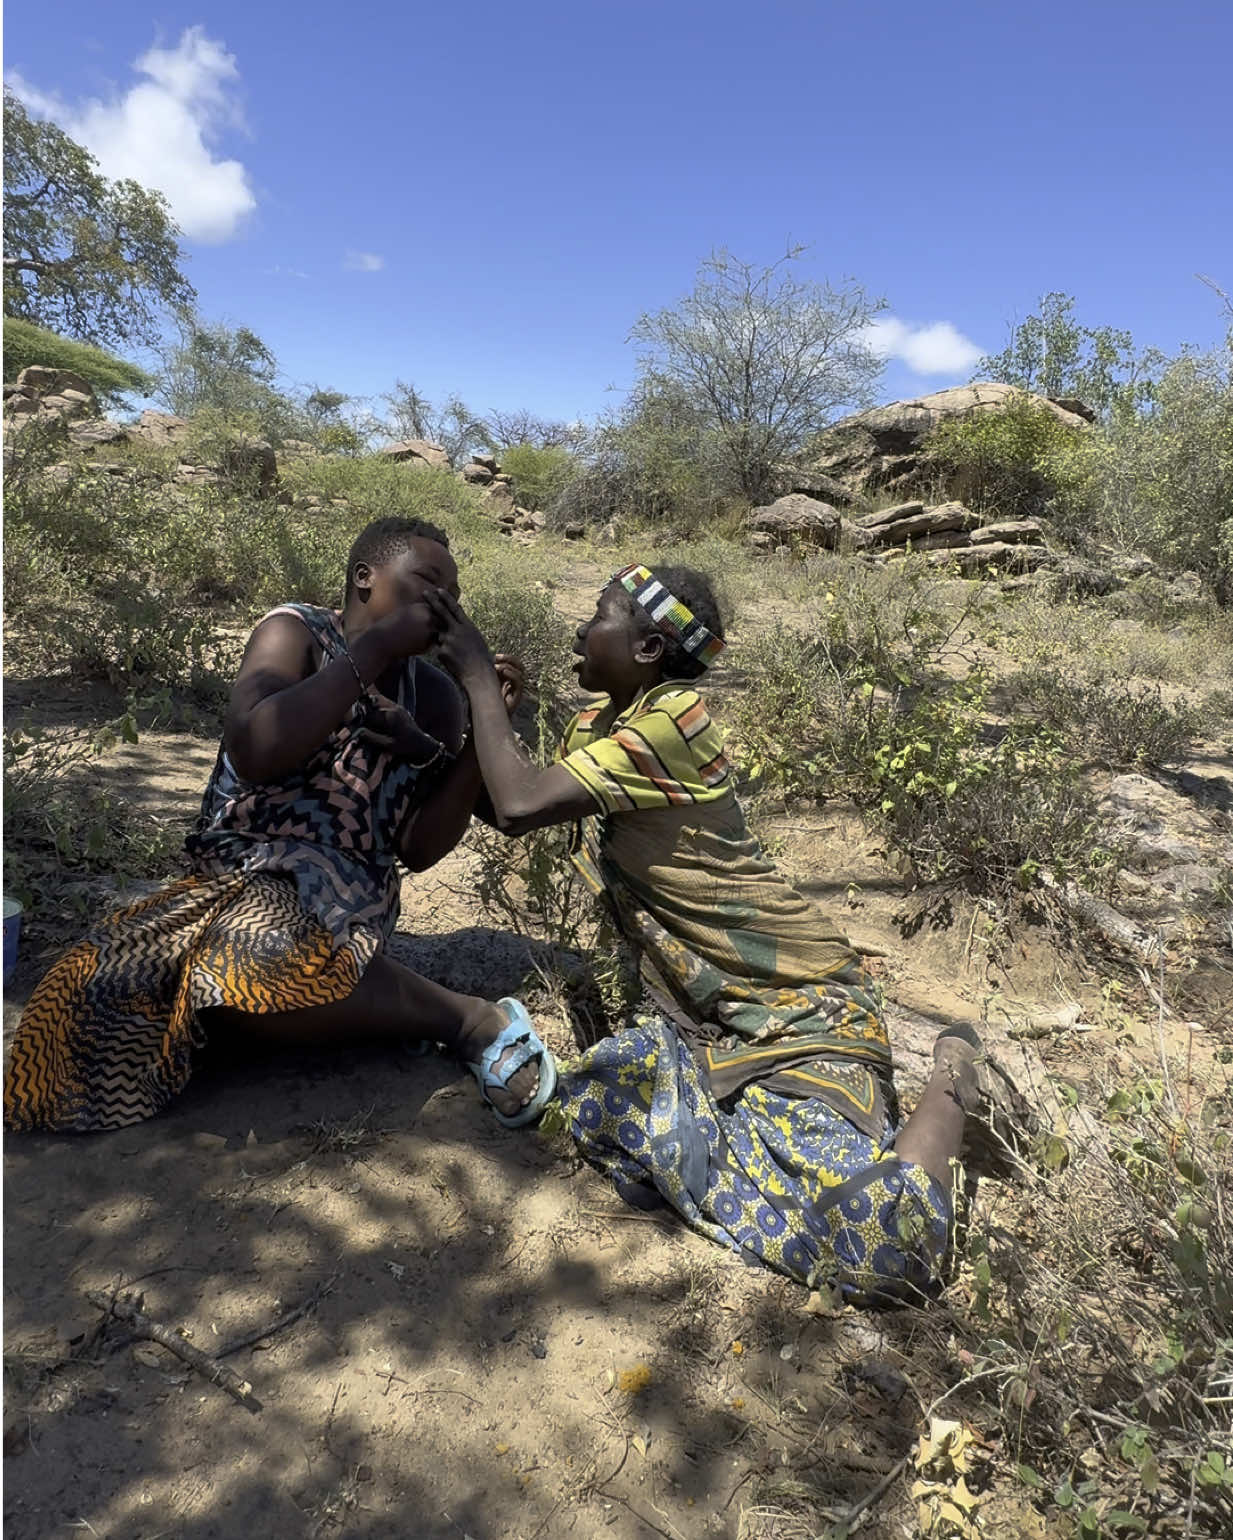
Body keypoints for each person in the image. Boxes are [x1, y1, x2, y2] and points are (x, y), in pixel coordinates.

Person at [426, 562, 1025, 1303]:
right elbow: (514, 809)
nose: (580, 630)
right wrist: (483, 717)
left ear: (647, 649)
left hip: (800, 1007)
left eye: (597, 615)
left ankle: (952, 1071)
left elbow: (516, 805)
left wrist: (480, 682)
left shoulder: (672, 723)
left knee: (882, 1249)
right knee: (597, 1103)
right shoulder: (602, 725)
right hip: (712, 1024)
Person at [4, 516, 556, 1134]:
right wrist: (373, 652)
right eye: (428, 581)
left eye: (453, 594)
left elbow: (421, 848)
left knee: (248, 965)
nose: (444, 603)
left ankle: (466, 1021)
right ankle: (351, 1007)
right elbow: (257, 750)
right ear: (365, 579)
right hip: (233, 878)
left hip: (343, 895)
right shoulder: (294, 632)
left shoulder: (434, 695)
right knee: (80, 992)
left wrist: (482, 722)